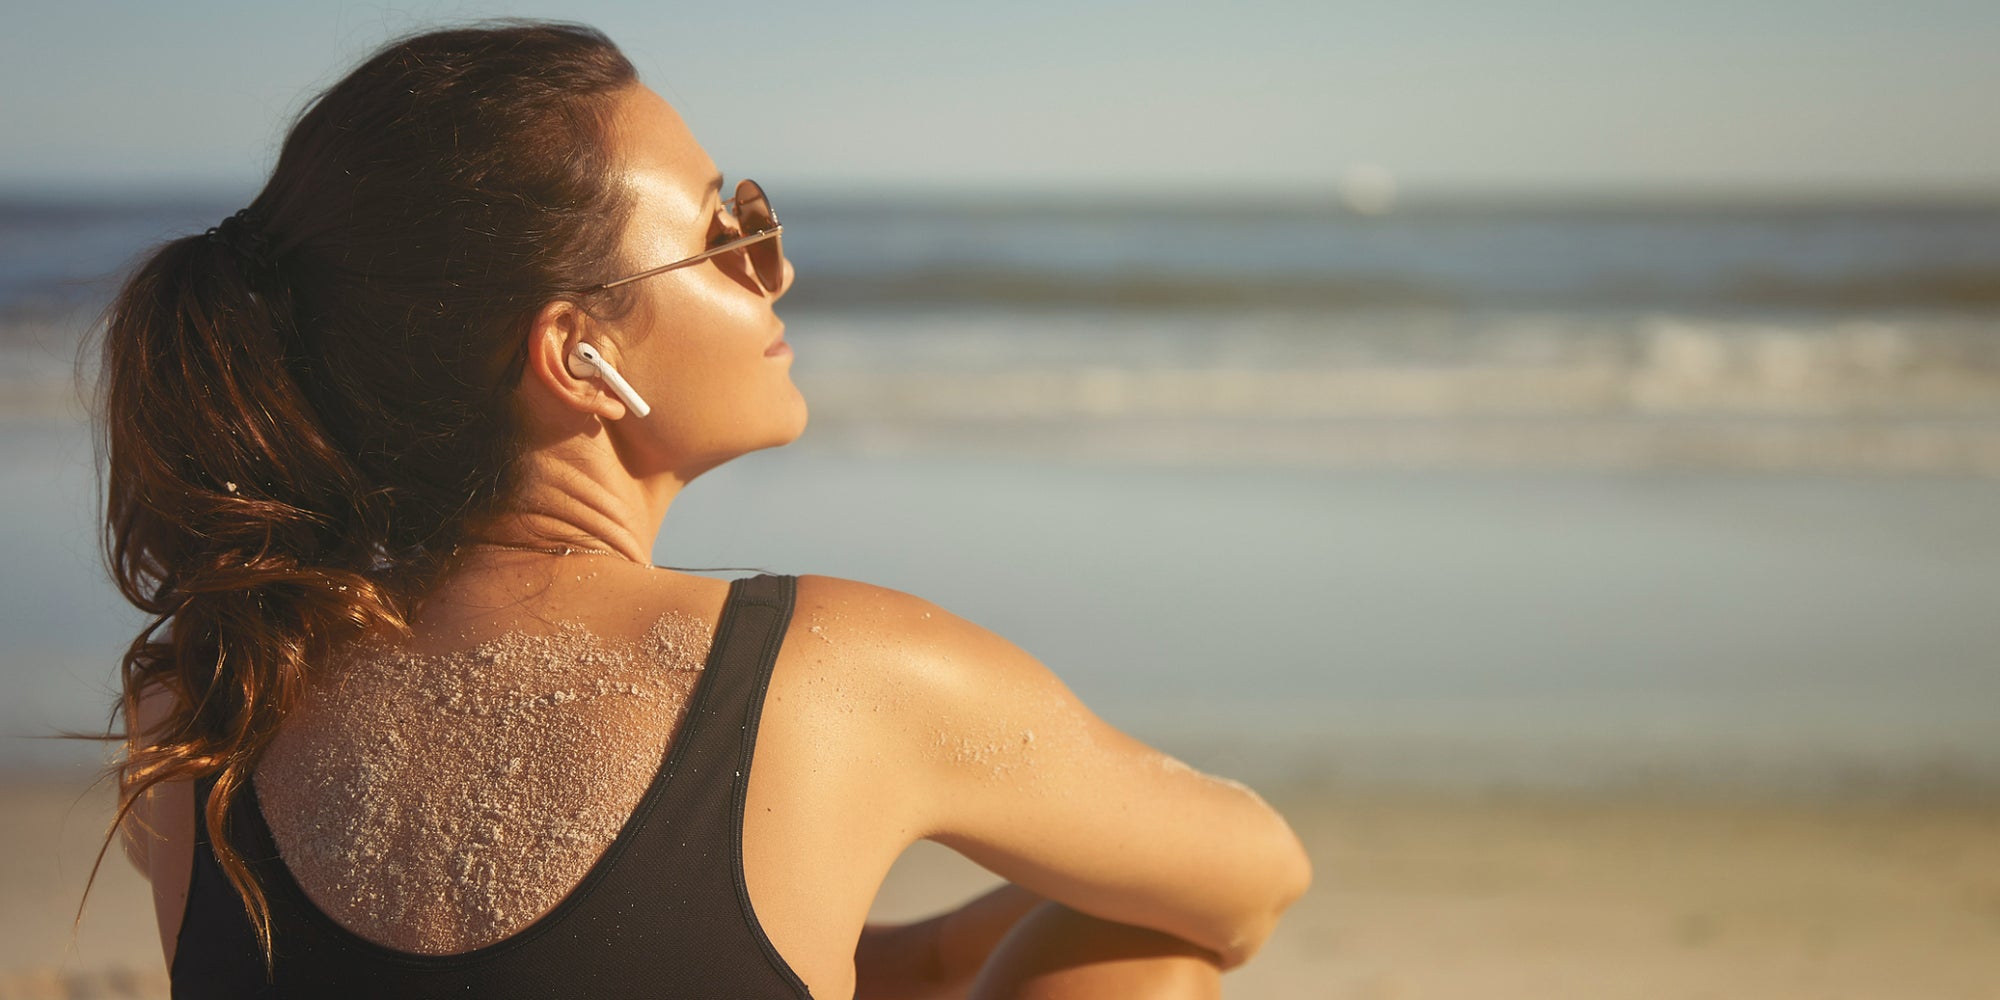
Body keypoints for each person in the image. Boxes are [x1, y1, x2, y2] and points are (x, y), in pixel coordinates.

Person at [92, 20, 1311, 999]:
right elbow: (1251, 874)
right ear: (578, 357)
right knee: (1143, 949)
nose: (772, 261)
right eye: (723, 228)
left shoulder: (208, 703)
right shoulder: (831, 673)